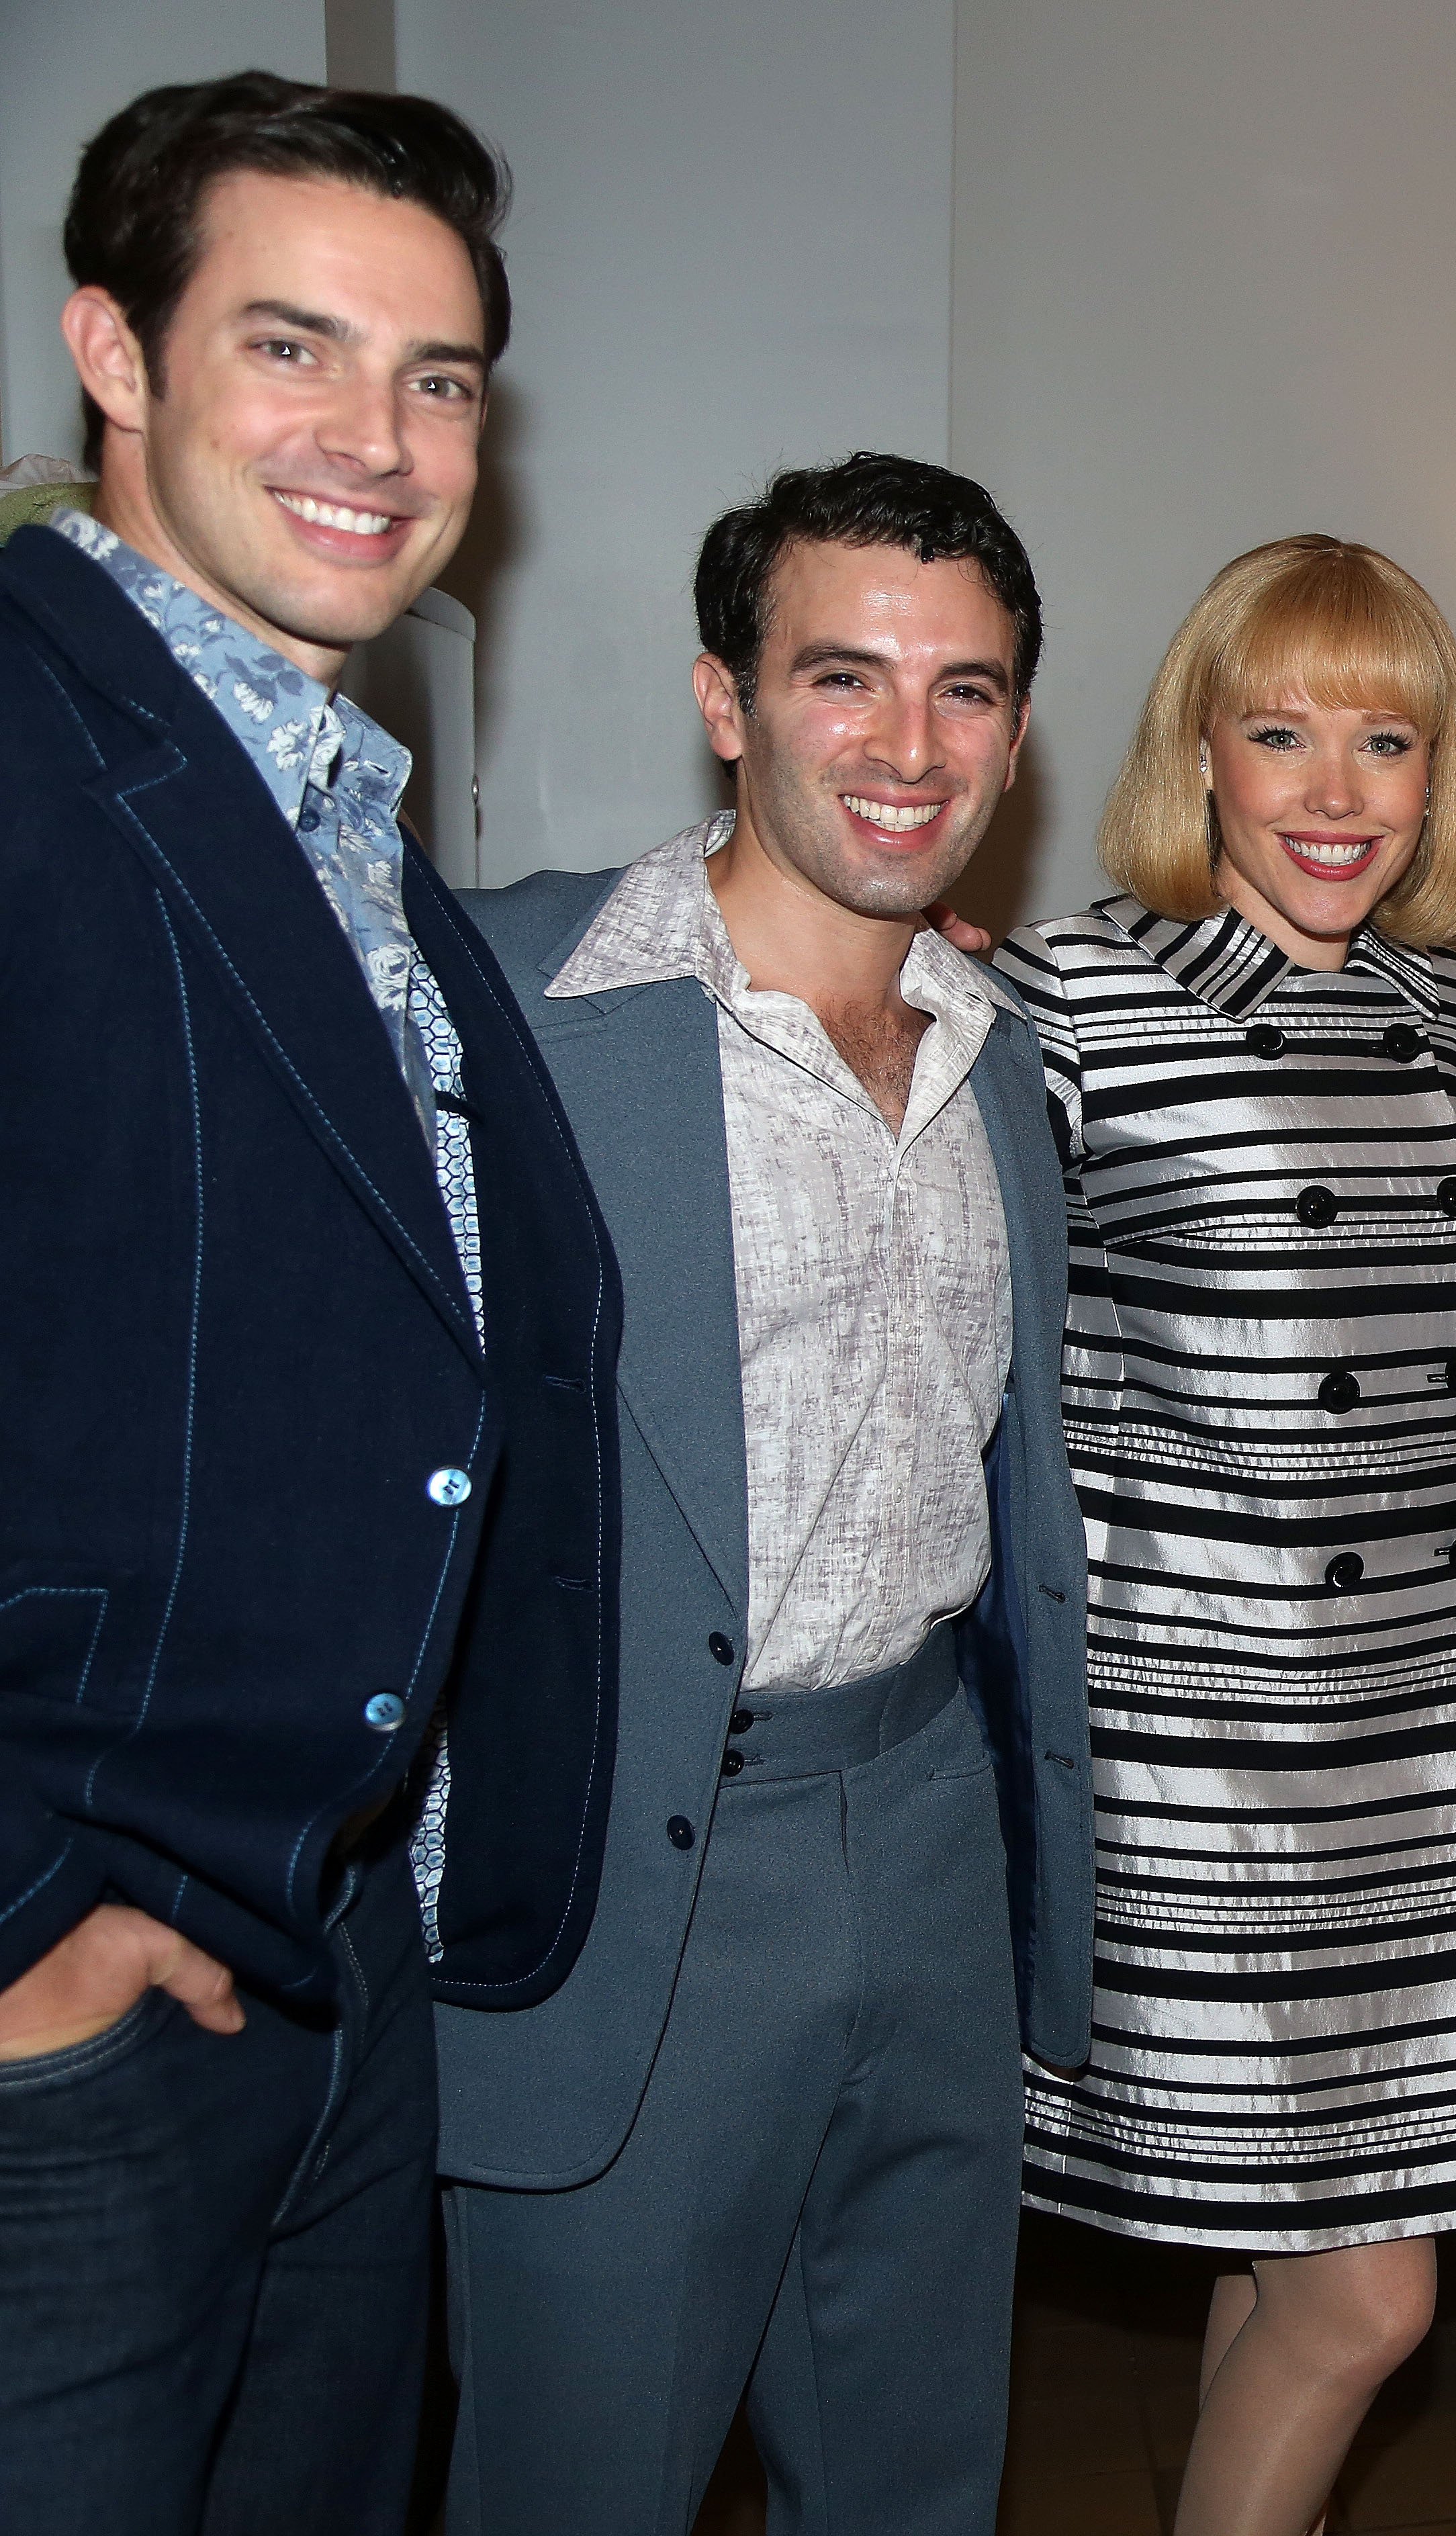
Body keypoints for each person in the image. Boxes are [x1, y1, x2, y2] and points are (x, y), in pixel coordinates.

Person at [0, 76, 618, 2536]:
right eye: (294, 346)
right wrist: (22, 1921)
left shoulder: (339, 801)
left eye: (440, 375)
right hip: (76, 2004)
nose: (380, 438)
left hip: (331, 1950)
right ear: (114, 358)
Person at [435, 454, 1093, 2536]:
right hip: (638, 1875)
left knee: (917, 2478)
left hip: (927, 1832)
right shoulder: (510, 1010)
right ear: (727, 699)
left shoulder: (1004, 1054)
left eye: (969, 692)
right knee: (584, 2485)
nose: (911, 750)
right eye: (845, 679)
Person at [999, 534, 1456, 2535]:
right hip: (1201, 1753)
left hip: (1411, 1753)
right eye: (1282, 733)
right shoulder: (1068, 1000)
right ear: (1199, 751)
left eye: (1383, 740)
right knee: (1369, 2292)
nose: (1334, 792)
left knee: (1279, 2254)